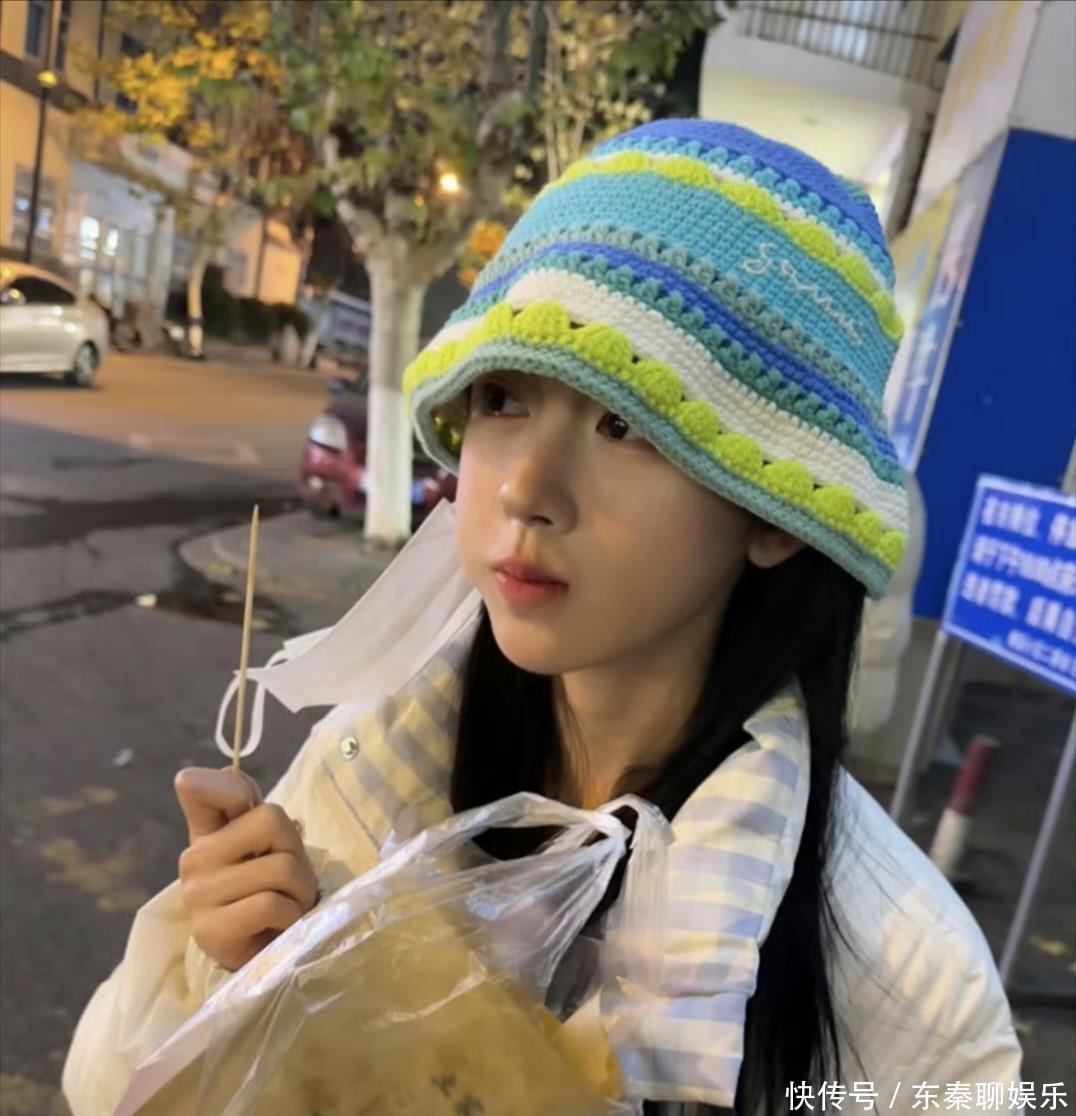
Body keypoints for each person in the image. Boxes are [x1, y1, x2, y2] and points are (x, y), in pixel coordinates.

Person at [63, 120, 1023, 1116]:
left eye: (625, 422)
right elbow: (102, 1090)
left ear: (774, 517)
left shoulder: (908, 985)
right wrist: (226, 975)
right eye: (503, 398)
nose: (526, 487)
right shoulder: (366, 774)